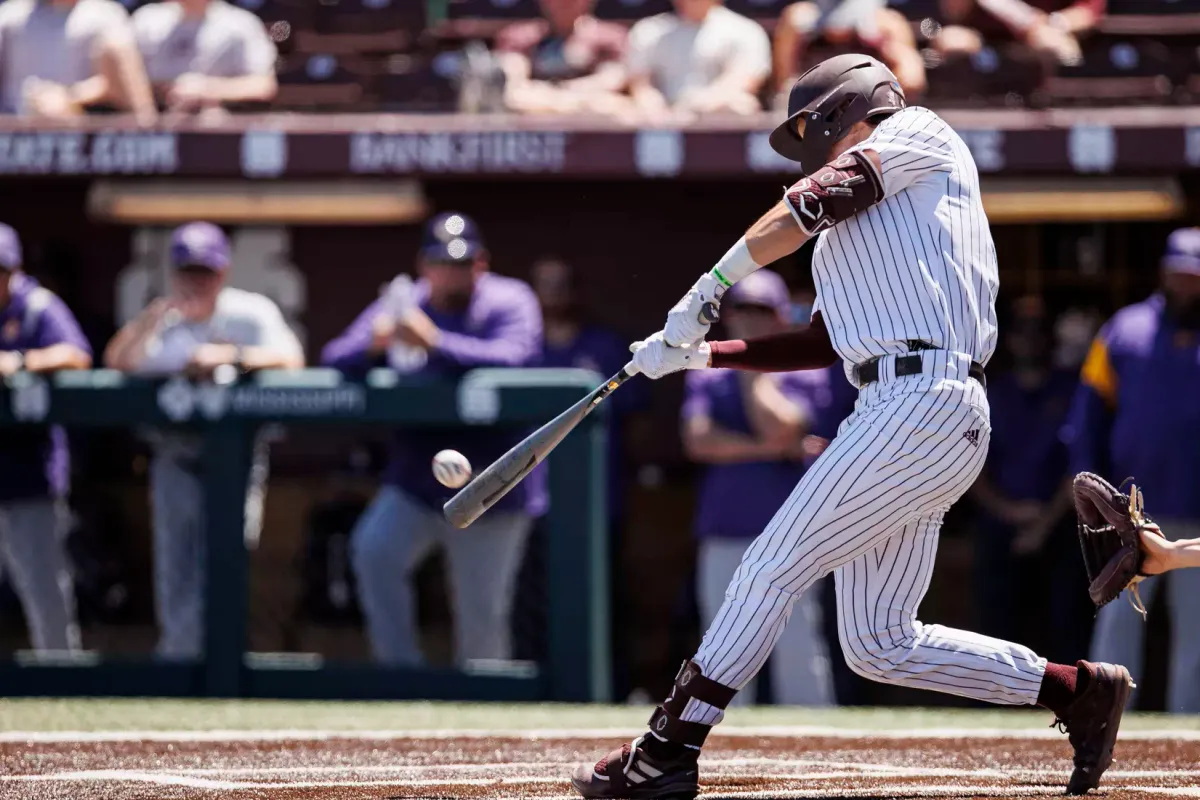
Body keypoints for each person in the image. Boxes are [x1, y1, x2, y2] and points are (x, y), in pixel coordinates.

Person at [570, 54, 1130, 800]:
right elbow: (820, 342)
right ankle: (1077, 690)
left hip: (921, 401)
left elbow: (807, 204)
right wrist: (698, 355)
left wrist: (711, 284)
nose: (807, 145)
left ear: (846, 107)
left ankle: (667, 750)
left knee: (768, 569)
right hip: (907, 409)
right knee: (880, 642)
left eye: (811, 127)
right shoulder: (856, 234)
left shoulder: (917, 133)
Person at [321, 212, 543, 667]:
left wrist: (436, 342)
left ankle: (484, 707)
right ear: (424, 265)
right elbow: (333, 357)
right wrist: (375, 344)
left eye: (461, 263)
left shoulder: (509, 300)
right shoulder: (403, 304)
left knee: (482, 614)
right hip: (415, 480)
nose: (451, 272)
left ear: (480, 264)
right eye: (441, 263)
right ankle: (401, 678)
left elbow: (517, 357)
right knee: (374, 552)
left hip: (492, 485)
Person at [103, 221, 304, 658]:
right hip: (174, 454)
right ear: (174, 272)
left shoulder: (249, 312)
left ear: (223, 271)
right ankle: (181, 661)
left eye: (205, 272)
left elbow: (292, 360)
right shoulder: (161, 320)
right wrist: (150, 321)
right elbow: (116, 361)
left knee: (226, 558)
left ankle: (207, 661)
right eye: (188, 271)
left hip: (235, 459)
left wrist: (229, 356)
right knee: (175, 568)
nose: (197, 281)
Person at [682, 269, 850, 708]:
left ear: (781, 316)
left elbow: (781, 427)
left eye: (762, 311)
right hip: (723, 525)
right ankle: (720, 730)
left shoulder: (808, 373)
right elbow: (698, 441)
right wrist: (768, 449)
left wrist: (754, 373)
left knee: (796, 636)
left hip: (790, 529)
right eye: (742, 309)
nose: (750, 320)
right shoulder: (706, 374)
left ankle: (812, 733)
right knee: (721, 636)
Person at [1064, 226, 1200, 714]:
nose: (1186, 285)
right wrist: (1092, 500)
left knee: (1197, 633)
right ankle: (1103, 715)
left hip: (1197, 510)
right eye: (1180, 275)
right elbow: (1087, 418)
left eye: (1195, 277)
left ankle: (1191, 731)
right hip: (1131, 516)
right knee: (1118, 625)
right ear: (1164, 273)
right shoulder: (1124, 329)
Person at [530, 256, 648, 692]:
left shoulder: (604, 347)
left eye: (562, 285)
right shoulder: (524, 348)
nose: (554, 294)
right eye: (545, 285)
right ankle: (540, 692)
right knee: (536, 601)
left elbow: (638, 420)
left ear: (578, 291)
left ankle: (614, 689)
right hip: (535, 500)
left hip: (600, 499)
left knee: (606, 599)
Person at [968, 296, 1088, 665]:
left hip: (1061, 522)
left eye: (1038, 331)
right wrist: (1009, 512)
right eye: (1021, 331)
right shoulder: (988, 393)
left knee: (1067, 629)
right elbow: (969, 468)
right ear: (1008, 338)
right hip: (1001, 524)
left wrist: (1042, 524)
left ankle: (1069, 693)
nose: (1030, 340)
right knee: (996, 629)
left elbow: (1081, 466)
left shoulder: (1073, 390)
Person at [0, 224, 91, 653]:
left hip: (28, 475)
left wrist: (18, 362)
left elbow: (77, 355)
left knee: (45, 592)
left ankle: (60, 677)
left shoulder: (37, 307)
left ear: (15, 269)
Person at [0, 0, 156, 120]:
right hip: (13, 137)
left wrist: (70, 99)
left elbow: (129, 93)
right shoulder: (9, 17)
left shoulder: (105, 16)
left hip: (82, 136)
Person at [625, 0, 771, 120]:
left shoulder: (745, 30)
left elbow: (743, 82)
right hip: (662, 119)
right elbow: (641, 85)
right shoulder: (648, 31)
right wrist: (655, 107)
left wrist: (696, 106)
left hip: (717, 111)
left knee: (741, 105)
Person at [132, 0, 278, 114]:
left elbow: (264, 85)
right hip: (154, 123)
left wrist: (207, 89)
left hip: (219, 123)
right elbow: (125, 79)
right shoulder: (146, 21)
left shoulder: (241, 24)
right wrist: (165, 89)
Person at [494, 0, 630, 116]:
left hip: (594, 123)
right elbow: (514, 89)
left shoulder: (612, 37)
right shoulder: (518, 37)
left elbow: (613, 81)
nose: (564, 3)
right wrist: (559, 100)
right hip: (536, 121)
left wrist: (564, 93)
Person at [773, 0, 926, 101]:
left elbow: (912, 80)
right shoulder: (795, 24)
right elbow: (784, 85)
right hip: (813, 112)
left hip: (870, 113)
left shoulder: (888, 26)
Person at [934, 0, 1105, 67]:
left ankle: (1056, 115)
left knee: (1049, 42)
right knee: (950, 40)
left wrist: (1051, 22)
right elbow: (954, 13)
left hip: (1043, 31)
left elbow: (1087, 13)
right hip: (984, 35)